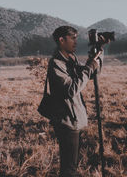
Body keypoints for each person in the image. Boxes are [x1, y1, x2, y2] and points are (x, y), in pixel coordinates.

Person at [45, 26, 106, 177]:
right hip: (66, 122)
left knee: (73, 164)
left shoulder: (70, 60)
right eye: (73, 38)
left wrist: (98, 52)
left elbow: (92, 73)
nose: (76, 42)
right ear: (61, 40)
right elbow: (71, 89)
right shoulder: (56, 64)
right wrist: (89, 66)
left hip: (74, 119)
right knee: (69, 168)